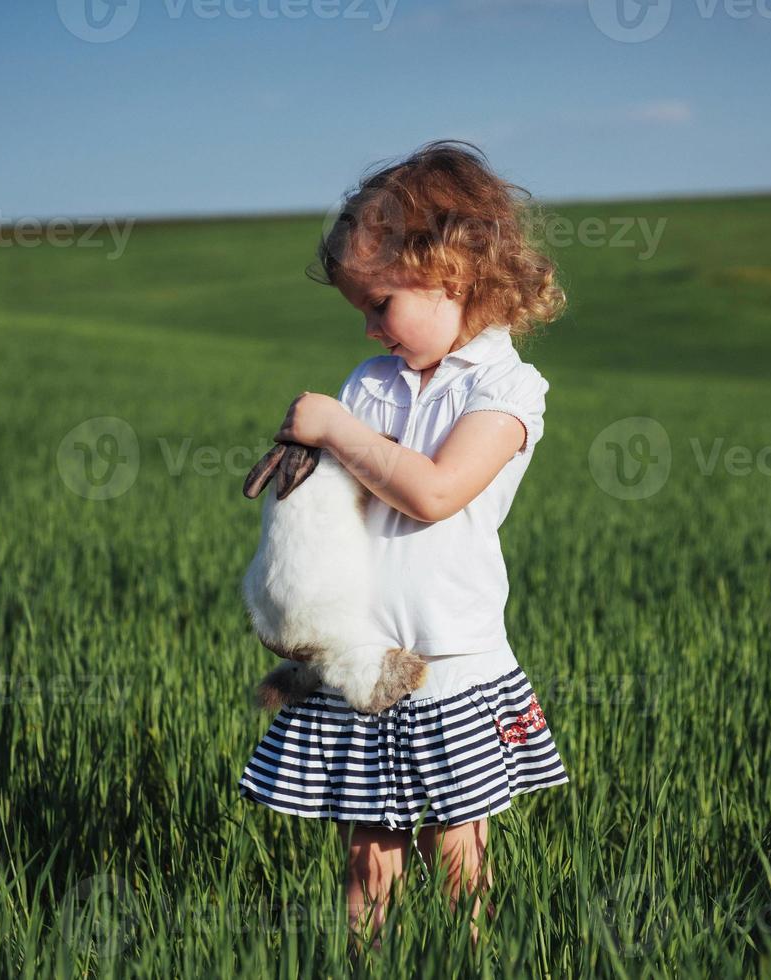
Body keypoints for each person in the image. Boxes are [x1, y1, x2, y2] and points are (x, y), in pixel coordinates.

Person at [237, 139, 571, 956]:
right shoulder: (371, 381)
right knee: (366, 855)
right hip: (362, 654)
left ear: (451, 274)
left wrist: (339, 431)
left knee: (455, 850)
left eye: (379, 303)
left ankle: (470, 961)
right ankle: (364, 963)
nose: (367, 325)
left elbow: (432, 493)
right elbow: (335, 506)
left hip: (449, 653)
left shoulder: (505, 389)